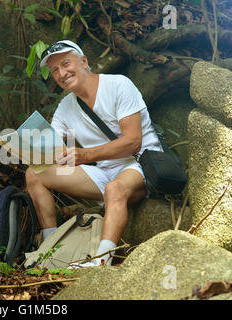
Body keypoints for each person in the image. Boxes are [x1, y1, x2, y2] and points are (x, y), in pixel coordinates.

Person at [25, 40, 162, 267]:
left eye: (66, 64)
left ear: (84, 62)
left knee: (114, 188)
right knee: (34, 174)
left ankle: (101, 262)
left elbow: (133, 142)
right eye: (55, 70)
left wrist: (85, 155)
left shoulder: (118, 85)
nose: (62, 73)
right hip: (104, 172)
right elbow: (53, 149)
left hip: (141, 164)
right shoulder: (64, 107)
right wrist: (28, 149)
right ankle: (51, 246)